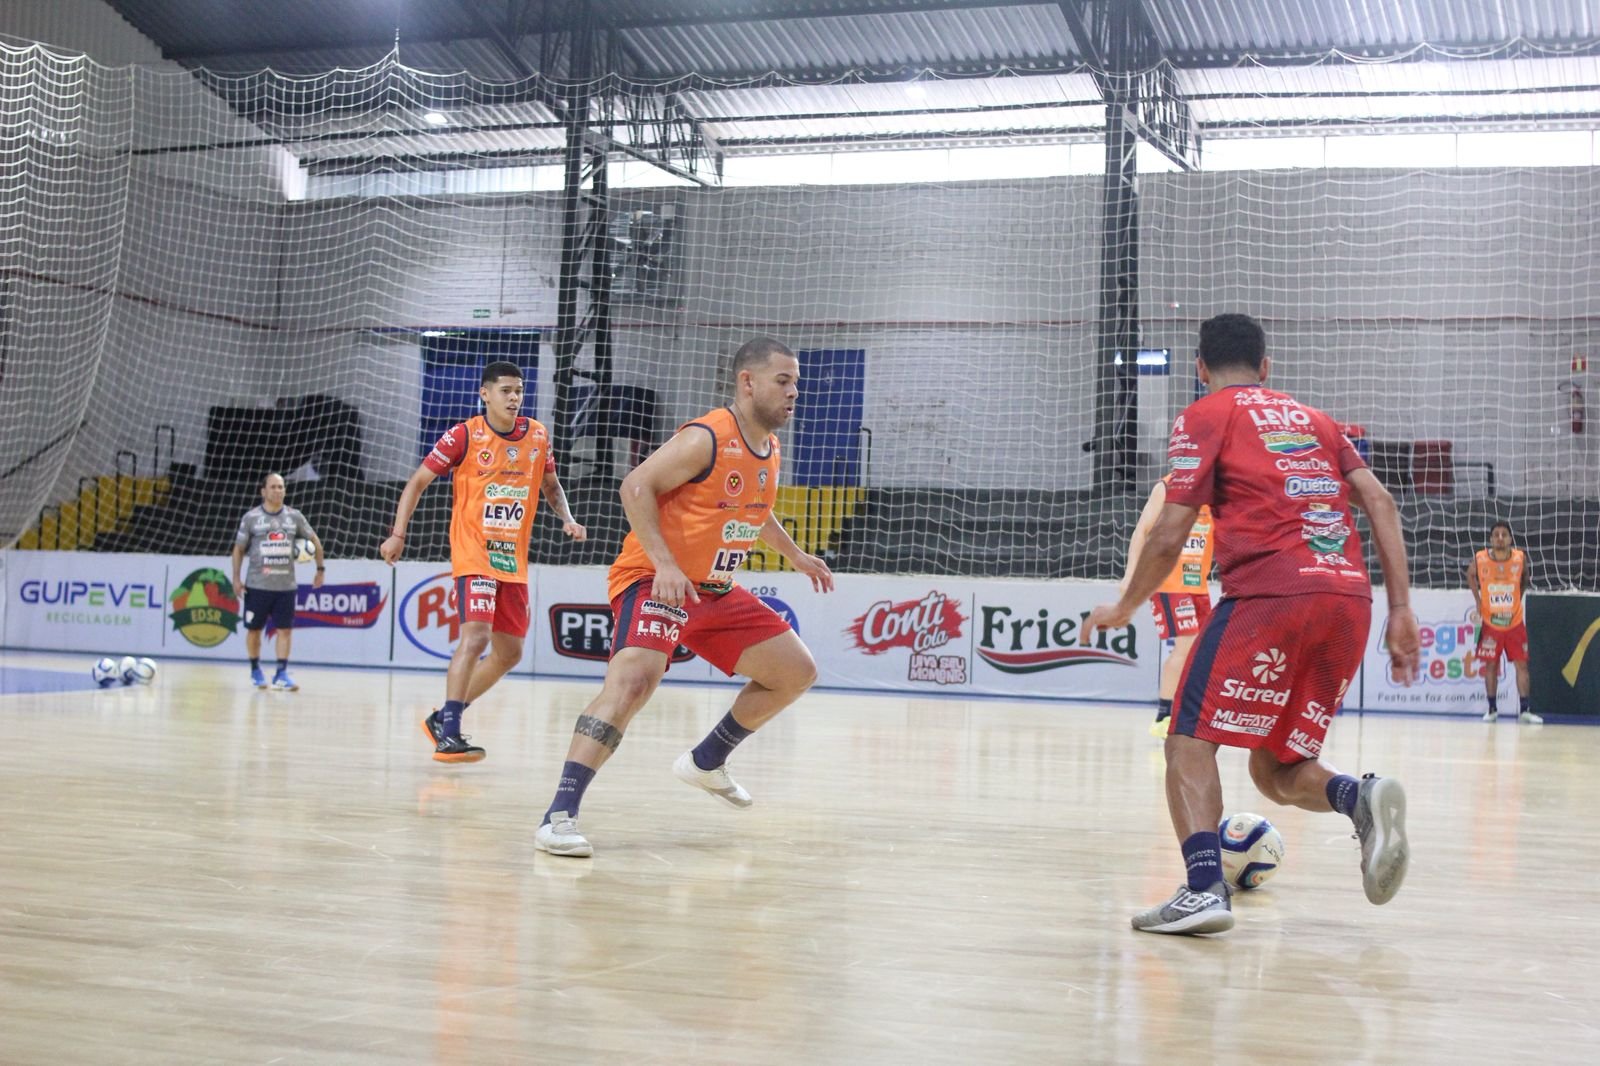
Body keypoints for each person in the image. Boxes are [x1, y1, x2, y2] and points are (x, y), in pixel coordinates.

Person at [1086, 313, 1422, 936]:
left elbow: (1170, 529)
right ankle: (1360, 799)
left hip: (1270, 594)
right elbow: (1380, 500)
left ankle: (1204, 888)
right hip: (1348, 601)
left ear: (1200, 369)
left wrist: (1127, 604)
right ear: (1267, 368)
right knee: (1274, 771)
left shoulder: (1206, 414)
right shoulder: (1316, 420)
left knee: (1186, 740)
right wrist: (1402, 609)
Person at [534, 337, 835, 858]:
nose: (795, 392)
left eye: (796, 382)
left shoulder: (770, 448)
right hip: (656, 580)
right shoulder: (707, 436)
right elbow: (634, 486)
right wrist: (667, 565)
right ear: (748, 382)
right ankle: (558, 815)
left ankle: (706, 760)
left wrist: (796, 555)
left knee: (796, 672)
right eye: (784, 381)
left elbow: (754, 512)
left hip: (714, 591)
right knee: (632, 684)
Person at [380, 361, 587, 762]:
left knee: (509, 653)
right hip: (474, 552)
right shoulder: (465, 435)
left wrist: (568, 518)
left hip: (513, 559)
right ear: (485, 394)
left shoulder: (538, 436)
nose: (514, 397)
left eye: (519, 390)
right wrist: (398, 533)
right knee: (475, 637)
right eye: (506, 390)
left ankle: (443, 718)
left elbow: (549, 484)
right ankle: (450, 734)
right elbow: (417, 481)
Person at [1122, 475, 1214, 738]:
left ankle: (1183, 710)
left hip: (1197, 583)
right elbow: (1142, 530)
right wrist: (1131, 575)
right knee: (1186, 645)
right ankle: (1164, 716)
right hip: (1168, 582)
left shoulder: (1217, 489)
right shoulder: (1167, 487)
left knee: (1200, 649)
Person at [231, 472, 324, 691]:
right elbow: (238, 549)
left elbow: (315, 541)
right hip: (257, 586)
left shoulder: (294, 517)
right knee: (254, 630)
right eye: (273, 487)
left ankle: (281, 673)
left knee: (285, 630)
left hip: (285, 587)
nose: (278, 491)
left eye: (281, 487)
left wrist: (320, 568)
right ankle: (255, 669)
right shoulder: (252, 518)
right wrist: (236, 578)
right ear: (263, 491)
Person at [1468, 521, 1541, 724]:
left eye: (1504, 534)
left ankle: (1525, 710)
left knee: (1522, 665)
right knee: (1491, 665)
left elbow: (1525, 577)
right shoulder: (1480, 558)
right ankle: (1492, 709)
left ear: (1510, 538)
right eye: (1496, 535)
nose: (1500, 538)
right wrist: (1478, 600)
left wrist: (1519, 595)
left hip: (1515, 622)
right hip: (1491, 624)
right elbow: (1470, 575)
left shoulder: (1519, 558)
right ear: (1491, 539)